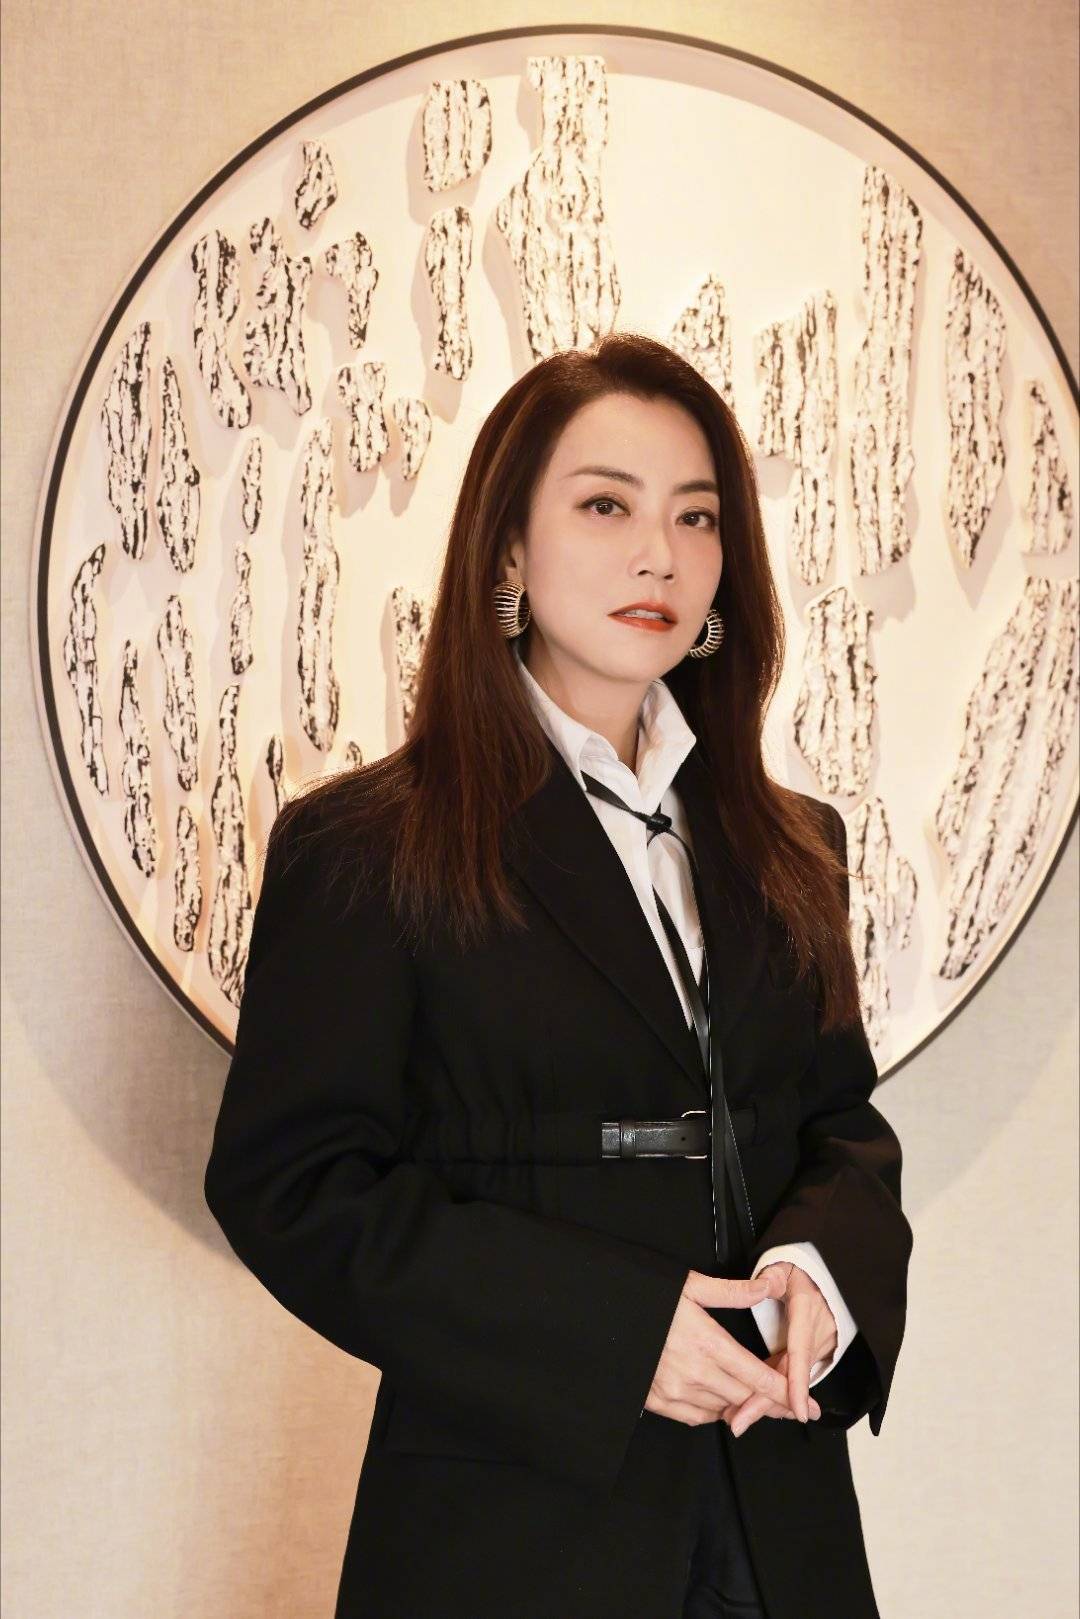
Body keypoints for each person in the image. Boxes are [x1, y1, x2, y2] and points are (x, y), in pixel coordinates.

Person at [204, 332, 912, 1619]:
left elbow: (841, 1125)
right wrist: (613, 1332)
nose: (661, 555)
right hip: (511, 1534)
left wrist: (821, 1270)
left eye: (696, 516)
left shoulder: (795, 842)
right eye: (605, 506)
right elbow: (292, 1184)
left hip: (780, 1507)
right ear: (509, 554)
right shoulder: (369, 845)